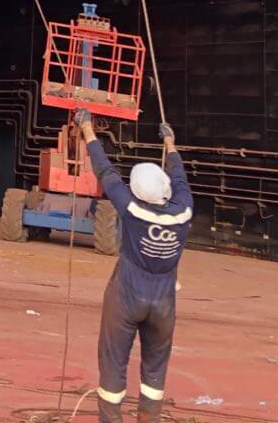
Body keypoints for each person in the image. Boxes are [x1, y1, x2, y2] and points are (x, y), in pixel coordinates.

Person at [75, 109, 193, 423]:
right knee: (155, 368)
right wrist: (170, 143)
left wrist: (86, 128)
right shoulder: (184, 211)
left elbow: (104, 170)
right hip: (163, 303)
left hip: (127, 296)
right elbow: (179, 176)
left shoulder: (130, 209)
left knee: (113, 361)